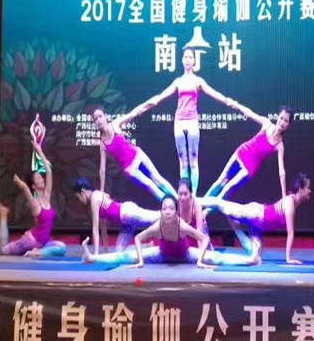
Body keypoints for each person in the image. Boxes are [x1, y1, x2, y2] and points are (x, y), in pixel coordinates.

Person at [139, 47, 234, 195]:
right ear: (182, 60)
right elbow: (161, 96)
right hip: (179, 121)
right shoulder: (178, 82)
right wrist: (146, 105)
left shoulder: (198, 81)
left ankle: (193, 195)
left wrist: (227, 101)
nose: (188, 60)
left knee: (193, 160)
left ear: (194, 61)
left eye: (190, 57)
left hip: (192, 121)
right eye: (185, 57)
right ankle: (185, 193)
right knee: (183, 160)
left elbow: (213, 93)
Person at [81, 194, 260, 267]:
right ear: (161, 211)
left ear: (176, 212)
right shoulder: (158, 225)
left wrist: (199, 260)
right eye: (164, 208)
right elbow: (138, 239)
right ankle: (91, 258)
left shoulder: (181, 225)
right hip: (160, 255)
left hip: (186, 255)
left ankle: (250, 260)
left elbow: (204, 239)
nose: (167, 211)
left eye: (171, 208)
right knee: (123, 257)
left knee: (217, 258)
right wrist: (141, 260)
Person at [200, 172, 312, 264]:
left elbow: (282, 175)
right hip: (256, 213)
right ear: (300, 189)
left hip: (258, 226)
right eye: (308, 188)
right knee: (222, 205)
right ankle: (197, 201)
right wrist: (288, 258)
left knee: (255, 259)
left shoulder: (293, 202)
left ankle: (233, 224)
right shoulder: (290, 203)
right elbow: (290, 233)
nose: (310, 190)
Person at [203, 104, 291, 201]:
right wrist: (236, 105)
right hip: (242, 152)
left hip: (249, 167)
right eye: (281, 118)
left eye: (286, 121)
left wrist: (284, 196)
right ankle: (199, 205)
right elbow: (249, 113)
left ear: (288, 125)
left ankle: (207, 209)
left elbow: (282, 172)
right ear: (278, 117)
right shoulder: (267, 123)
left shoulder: (279, 145)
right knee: (222, 180)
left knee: (228, 188)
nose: (282, 122)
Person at [0, 138, 66, 258]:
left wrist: (39, 150)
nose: (42, 179)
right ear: (34, 186)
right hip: (30, 241)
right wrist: (16, 179)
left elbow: (49, 171)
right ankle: (3, 215)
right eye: (38, 178)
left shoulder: (47, 196)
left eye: (41, 177)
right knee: (4, 251)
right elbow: (24, 187)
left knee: (62, 247)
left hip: (43, 244)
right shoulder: (34, 203)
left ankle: (37, 252)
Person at [93, 107, 176, 201]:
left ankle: (179, 200)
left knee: (157, 179)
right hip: (130, 168)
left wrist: (143, 108)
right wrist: (102, 191)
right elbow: (102, 169)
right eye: (95, 119)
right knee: (151, 186)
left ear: (105, 116)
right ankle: (170, 206)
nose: (98, 120)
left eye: (100, 116)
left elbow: (131, 114)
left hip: (137, 155)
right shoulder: (102, 143)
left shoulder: (114, 124)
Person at [73, 177, 160, 254]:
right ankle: (147, 247)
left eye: (78, 197)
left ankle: (167, 210)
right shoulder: (97, 196)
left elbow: (95, 229)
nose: (79, 200)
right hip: (125, 222)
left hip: (126, 212)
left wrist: (96, 253)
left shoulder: (94, 198)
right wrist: (106, 250)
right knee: (119, 253)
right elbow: (103, 230)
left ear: (82, 192)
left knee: (152, 218)